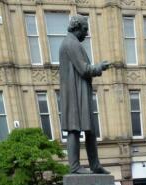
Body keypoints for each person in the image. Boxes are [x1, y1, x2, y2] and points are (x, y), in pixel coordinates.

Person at [58, 15, 110, 174]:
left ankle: (94, 165)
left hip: (80, 92)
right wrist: (100, 67)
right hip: (75, 94)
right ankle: (74, 166)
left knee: (91, 130)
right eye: (85, 29)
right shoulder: (70, 43)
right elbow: (84, 69)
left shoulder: (71, 43)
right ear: (76, 27)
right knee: (74, 129)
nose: (86, 34)